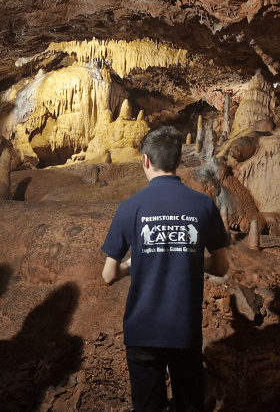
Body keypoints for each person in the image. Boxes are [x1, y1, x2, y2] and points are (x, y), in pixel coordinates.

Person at [101, 126, 230, 412]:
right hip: (184, 329)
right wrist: (188, 257)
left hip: (143, 330)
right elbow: (221, 267)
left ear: (146, 161)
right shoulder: (204, 205)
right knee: (190, 405)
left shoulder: (129, 208)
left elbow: (108, 276)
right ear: (178, 161)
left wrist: (135, 263)